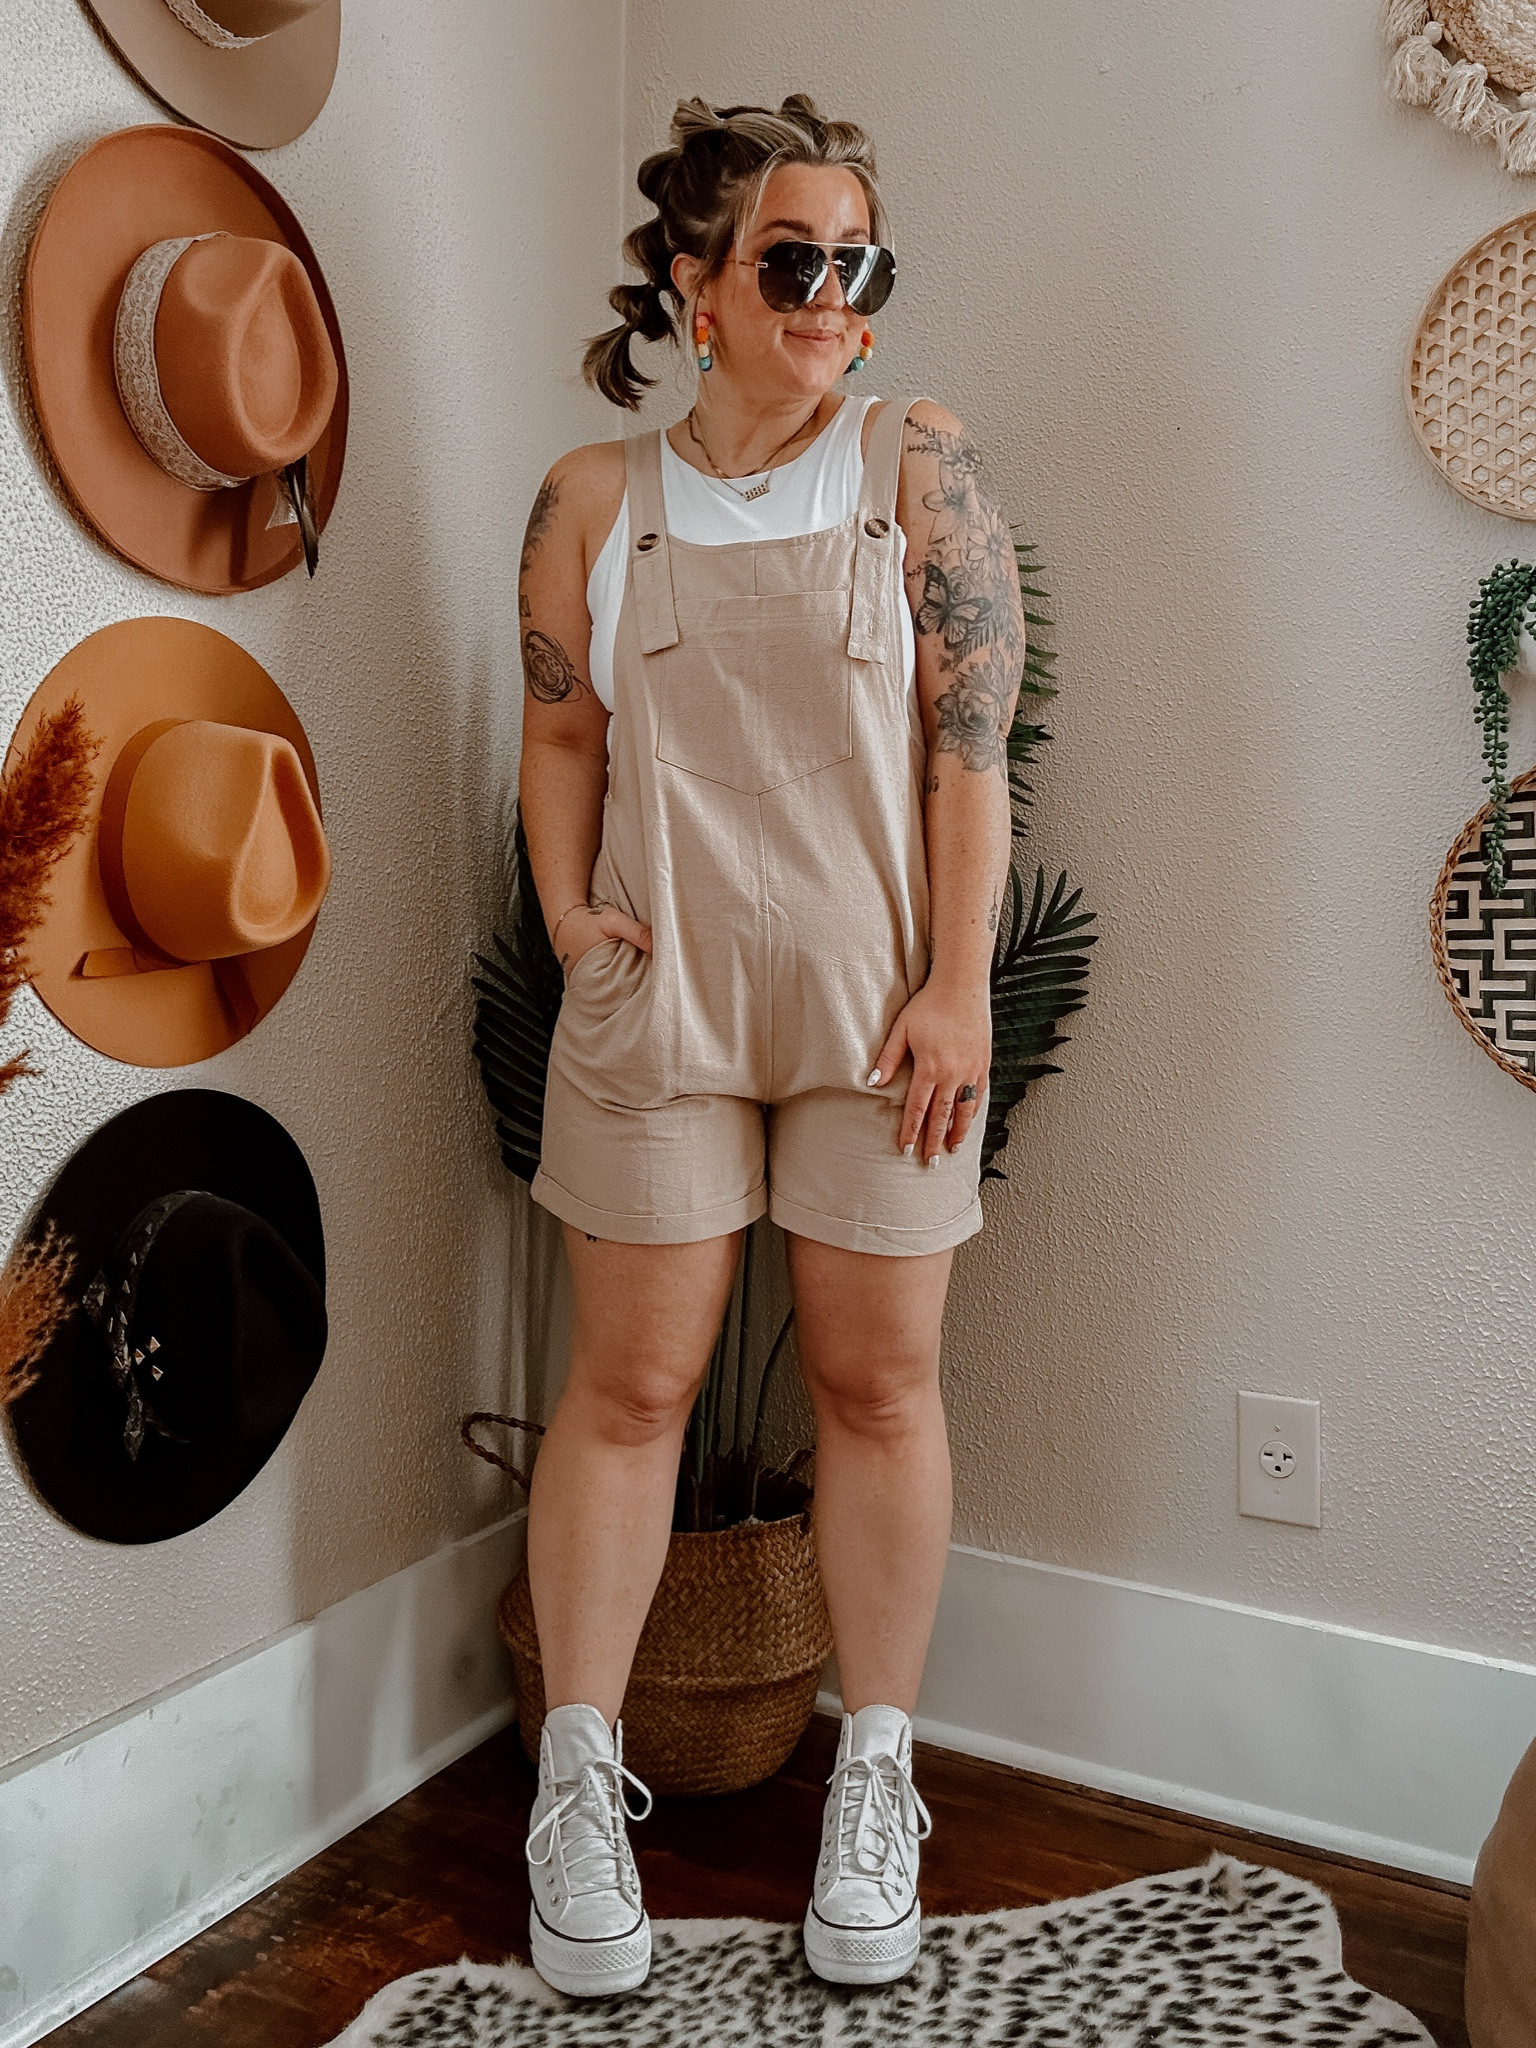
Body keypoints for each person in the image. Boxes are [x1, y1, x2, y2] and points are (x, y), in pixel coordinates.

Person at [516, 92, 1025, 1998]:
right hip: (660, 1004)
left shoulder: (918, 466)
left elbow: (966, 756)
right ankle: (580, 1783)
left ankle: (871, 1787)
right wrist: (571, 921)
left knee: (878, 1390)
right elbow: (563, 733)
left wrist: (959, 984)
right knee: (632, 1391)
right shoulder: (594, 497)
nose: (832, 299)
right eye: (794, 263)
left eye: (859, 265)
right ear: (696, 285)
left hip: (877, 1005)